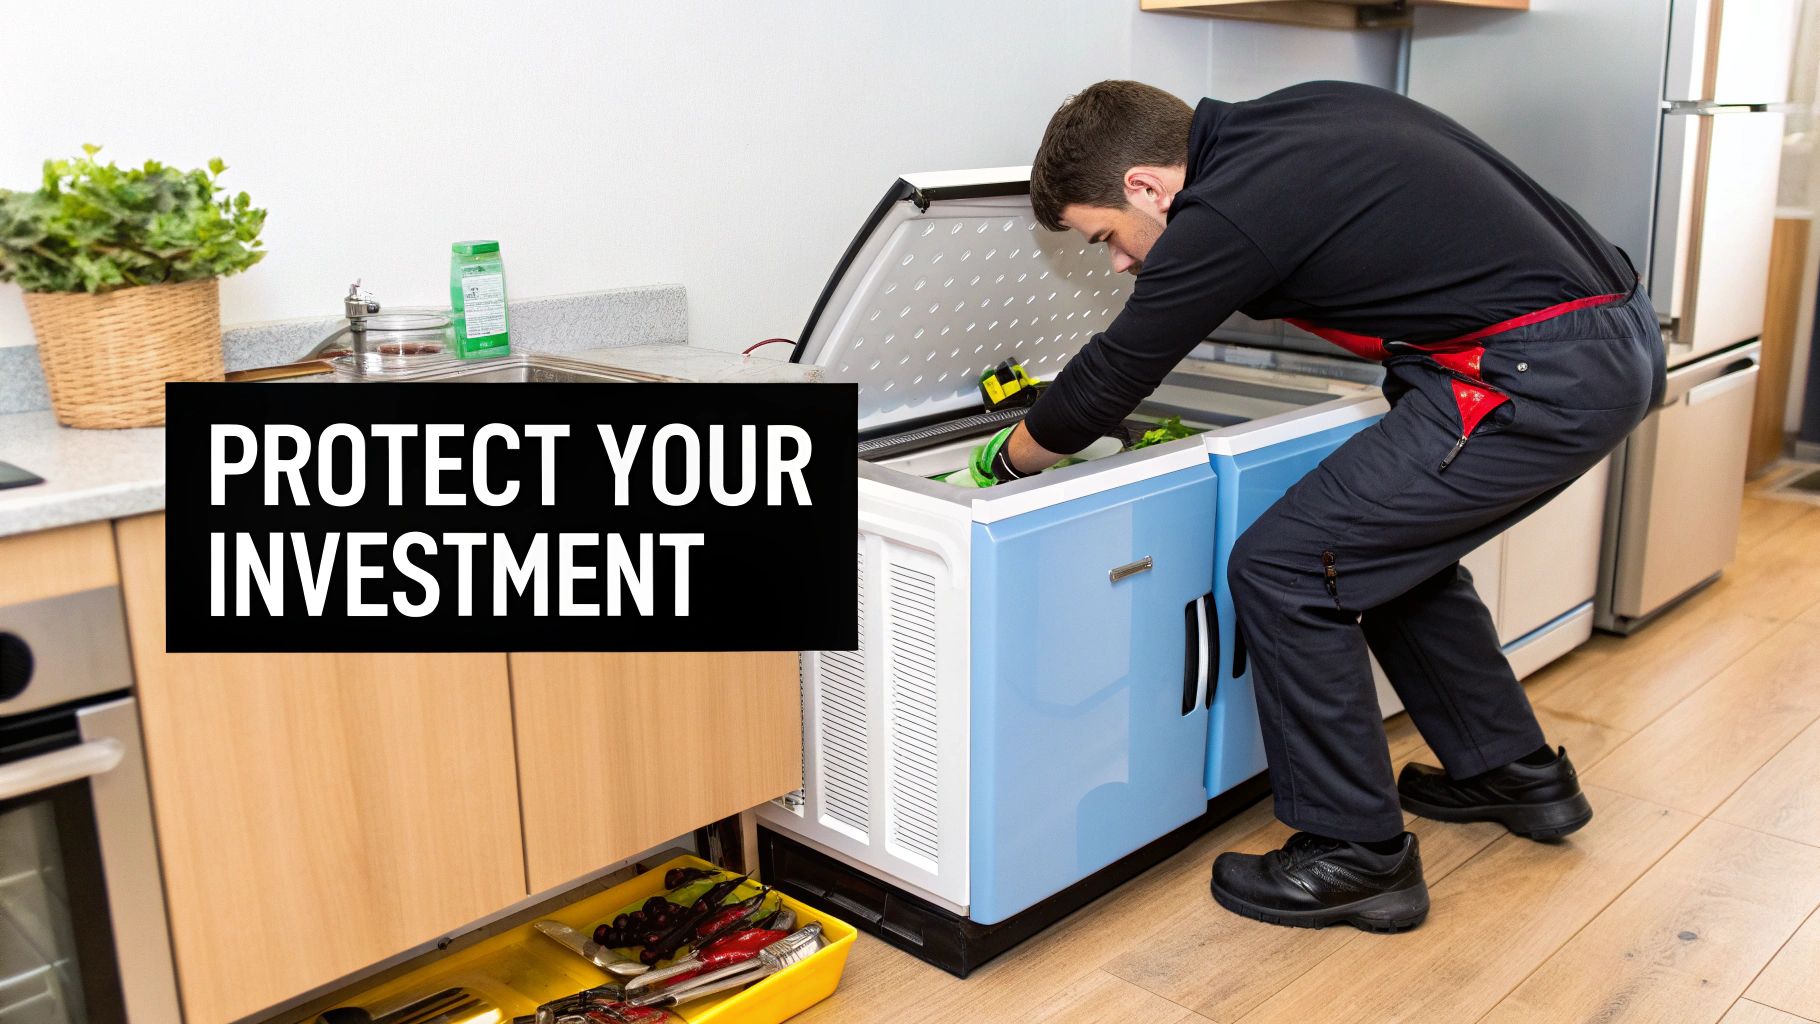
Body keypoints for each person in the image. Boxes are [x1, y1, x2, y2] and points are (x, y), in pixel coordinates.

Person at [968, 80, 1665, 933]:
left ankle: (1355, 854)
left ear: (1148, 186)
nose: (1116, 261)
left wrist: (1008, 460)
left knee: (1288, 567)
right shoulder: (1293, 122)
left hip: (1530, 374)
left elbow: (1112, 376)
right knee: (1375, 557)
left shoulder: (1225, 208)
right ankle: (1510, 772)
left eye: (1106, 236)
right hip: (1596, 345)